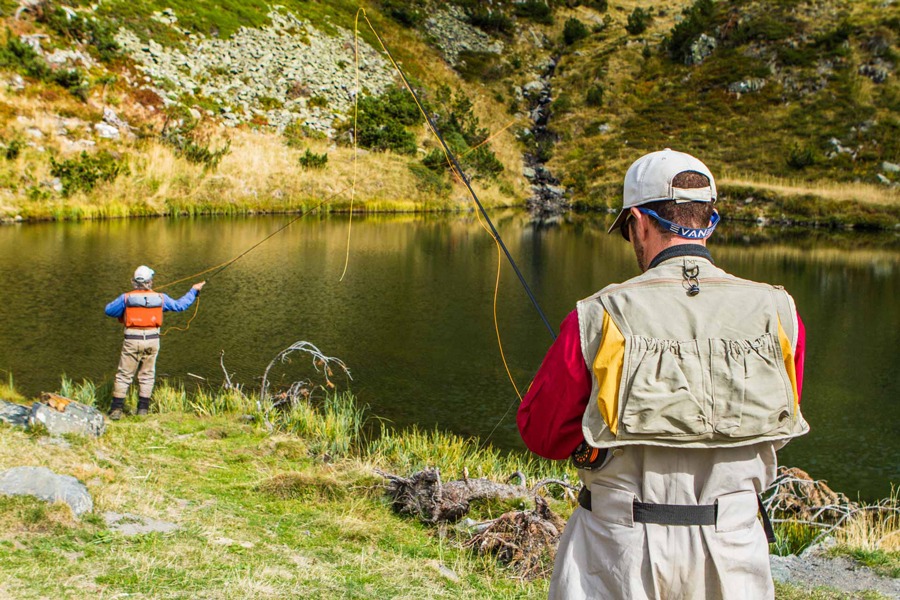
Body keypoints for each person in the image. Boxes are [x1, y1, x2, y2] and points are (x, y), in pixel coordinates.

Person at [517, 149, 809, 599]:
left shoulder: (597, 315)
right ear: (709, 220)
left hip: (616, 553)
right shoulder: (781, 313)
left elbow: (542, 434)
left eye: (628, 230)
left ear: (639, 221)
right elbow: (778, 428)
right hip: (733, 551)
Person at [104, 265, 205, 420]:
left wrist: (126, 310)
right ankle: (142, 411)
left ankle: (116, 410)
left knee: (124, 375)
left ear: (134, 282)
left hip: (132, 340)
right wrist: (193, 291)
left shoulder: (126, 298)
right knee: (147, 375)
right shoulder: (161, 298)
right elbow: (180, 306)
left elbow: (109, 310)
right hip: (152, 341)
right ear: (150, 282)